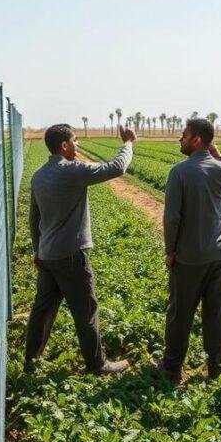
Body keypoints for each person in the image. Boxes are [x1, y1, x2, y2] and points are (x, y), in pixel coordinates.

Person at [24, 122, 137, 375]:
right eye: (75, 140)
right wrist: (128, 143)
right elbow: (116, 168)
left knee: (42, 310)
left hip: (48, 255)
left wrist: (37, 251)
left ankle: (31, 362)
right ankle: (98, 365)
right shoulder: (72, 171)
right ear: (64, 145)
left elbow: (34, 218)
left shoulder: (38, 176)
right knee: (86, 310)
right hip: (71, 255)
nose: (78, 144)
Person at [156, 117, 221, 384]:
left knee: (180, 313)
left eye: (183, 135)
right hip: (220, 256)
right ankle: (219, 370)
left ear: (196, 140)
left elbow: (172, 218)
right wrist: (219, 154)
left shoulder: (180, 172)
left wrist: (170, 251)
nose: (179, 139)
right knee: (217, 314)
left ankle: (171, 369)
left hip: (190, 258)